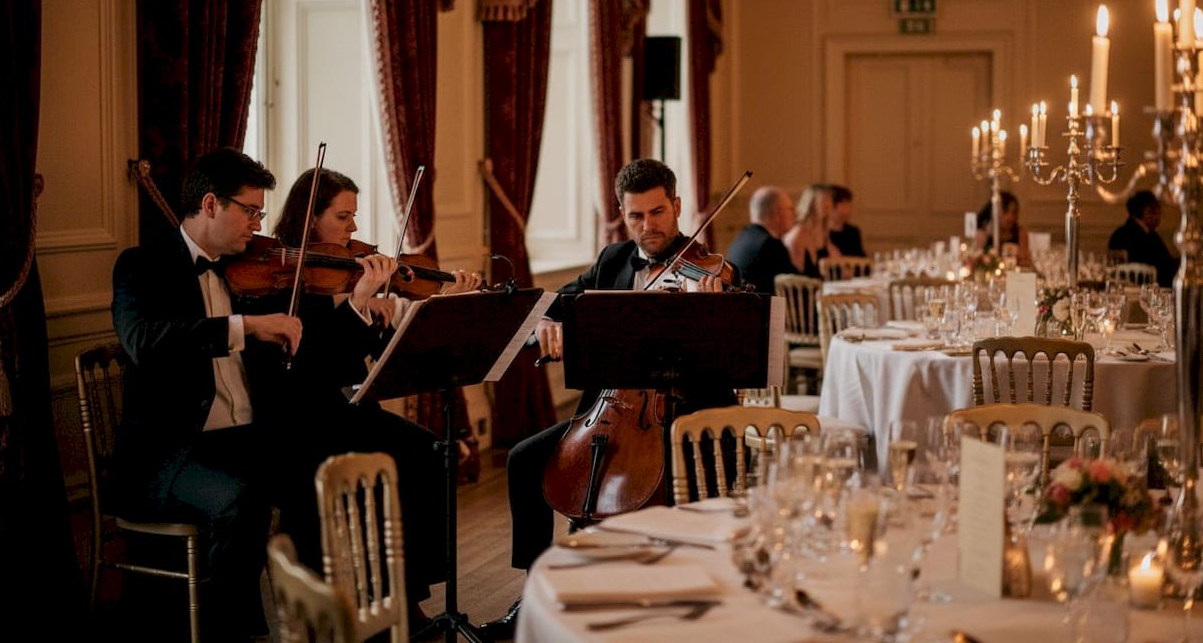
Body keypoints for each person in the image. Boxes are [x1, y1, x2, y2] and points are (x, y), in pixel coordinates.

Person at [478, 158, 738, 642]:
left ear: (677, 206)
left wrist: (716, 311)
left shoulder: (712, 270)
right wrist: (544, 323)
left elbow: (738, 347)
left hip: (687, 415)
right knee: (522, 460)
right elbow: (553, 304)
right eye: (636, 216)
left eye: (658, 213)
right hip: (612, 412)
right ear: (621, 211)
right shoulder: (612, 261)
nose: (648, 226)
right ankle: (536, 588)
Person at [268, 166, 481, 632]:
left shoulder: (343, 276)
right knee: (410, 457)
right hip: (304, 419)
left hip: (349, 411)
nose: (354, 230)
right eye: (344, 217)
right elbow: (311, 368)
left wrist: (419, 312)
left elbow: (387, 364)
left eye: (354, 217)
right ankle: (389, 602)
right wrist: (360, 306)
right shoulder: (282, 281)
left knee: (430, 452)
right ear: (310, 220)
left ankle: (403, 596)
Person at [111, 147, 302, 640]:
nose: (257, 226)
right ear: (213, 204)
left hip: (241, 437)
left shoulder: (246, 272)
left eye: (261, 213)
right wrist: (242, 327)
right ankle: (230, 633)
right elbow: (145, 342)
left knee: (320, 468)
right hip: (171, 450)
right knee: (242, 500)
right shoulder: (142, 265)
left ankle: (323, 620)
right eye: (251, 211)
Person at [725, 185, 797, 294]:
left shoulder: (741, 237)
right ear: (778, 213)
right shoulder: (772, 246)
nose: (794, 214)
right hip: (760, 308)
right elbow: (795, 289)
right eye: (790, 209)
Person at [1108, 190, 1177, 288]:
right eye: (1152, 210)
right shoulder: (1123, 236)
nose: (1158, 215)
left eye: (1158, 210)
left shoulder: (1151, 234)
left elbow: (1166, 263)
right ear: (1138, 212)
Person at [783, 183, 835, 278]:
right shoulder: (797, 234)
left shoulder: (823, 229)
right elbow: (796, 275)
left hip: (821, 286)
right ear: (811, 203)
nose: (829, 204)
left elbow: (833, 257)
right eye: (824, 200)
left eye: (829, 199)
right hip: (804, 289)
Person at [973, 190, 1033, 268]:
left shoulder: (1020, 233)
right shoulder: (982, 234)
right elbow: (976, 263)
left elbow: (1025, 263)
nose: (1010, 217)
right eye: (1005, 211)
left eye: (1014, 212)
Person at [826, 184, 867, 258]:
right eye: (844, 204)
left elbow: (861, 259)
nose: (849, 208)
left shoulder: (853, 232)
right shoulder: (822, 234)